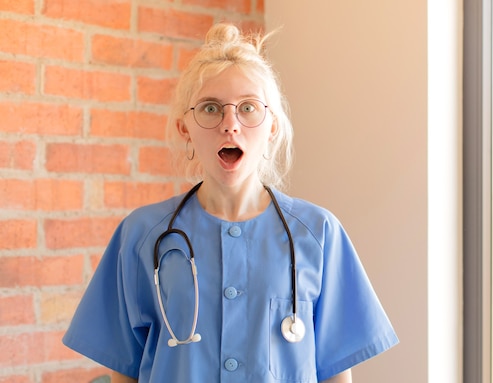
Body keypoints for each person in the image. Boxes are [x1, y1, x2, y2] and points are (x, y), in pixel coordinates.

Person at [63, 23, 398, 383]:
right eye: (210, 108)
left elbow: (335, 371)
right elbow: (123, 371)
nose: (230, 125)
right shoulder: (142, 235)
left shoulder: (318, 233)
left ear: (271, 126)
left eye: (249, 108)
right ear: (184, 128)